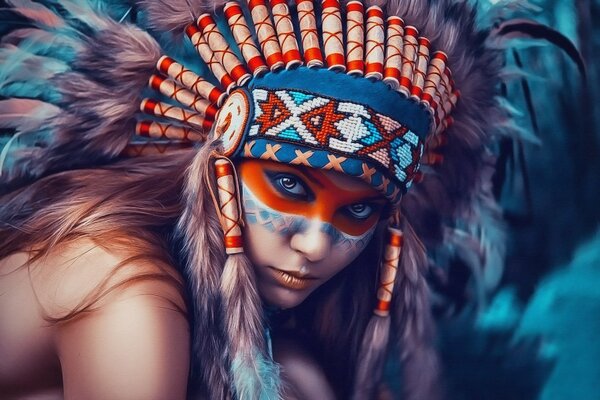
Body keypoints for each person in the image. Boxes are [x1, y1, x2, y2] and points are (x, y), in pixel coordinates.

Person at [0, 0, 545, 398]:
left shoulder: (272, 335)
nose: (312, 244)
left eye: (357, 210)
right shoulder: (125, 291)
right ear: (221, 166)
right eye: (288, 186)